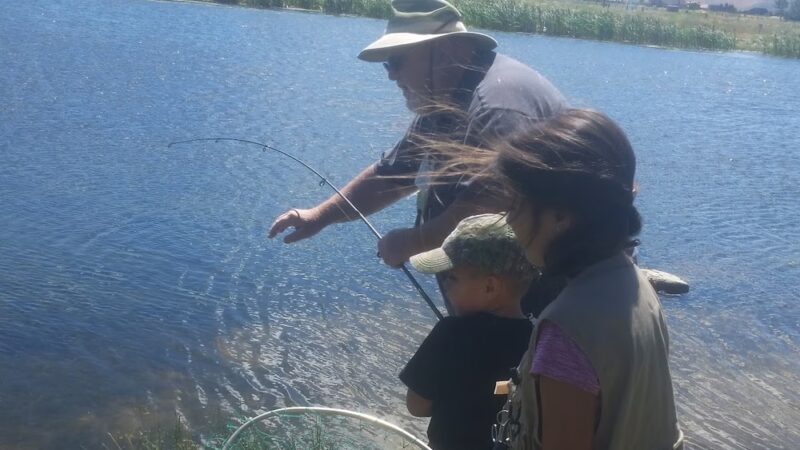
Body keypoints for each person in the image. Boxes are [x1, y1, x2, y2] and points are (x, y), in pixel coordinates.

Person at [268, 0, 568, 315]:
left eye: (397, 61)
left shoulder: (496, 108)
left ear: (447, 50)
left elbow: (484, 213)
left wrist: (412, 242)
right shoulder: (446, 98)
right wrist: (320, 215)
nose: (391, 75)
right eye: (387, 65)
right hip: (498, 298)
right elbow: (391, 176)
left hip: (547, 302)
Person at [443, 109, 682, 449]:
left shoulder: (566, 330)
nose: (509, 222)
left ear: (560, 216)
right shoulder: (634, 284)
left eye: (515, 206)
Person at [400, 213, 535, 450]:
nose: (444, 285)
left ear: (490, 286)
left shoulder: (450, 332)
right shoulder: (536, 339)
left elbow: (416, 405)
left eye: (451, 277)